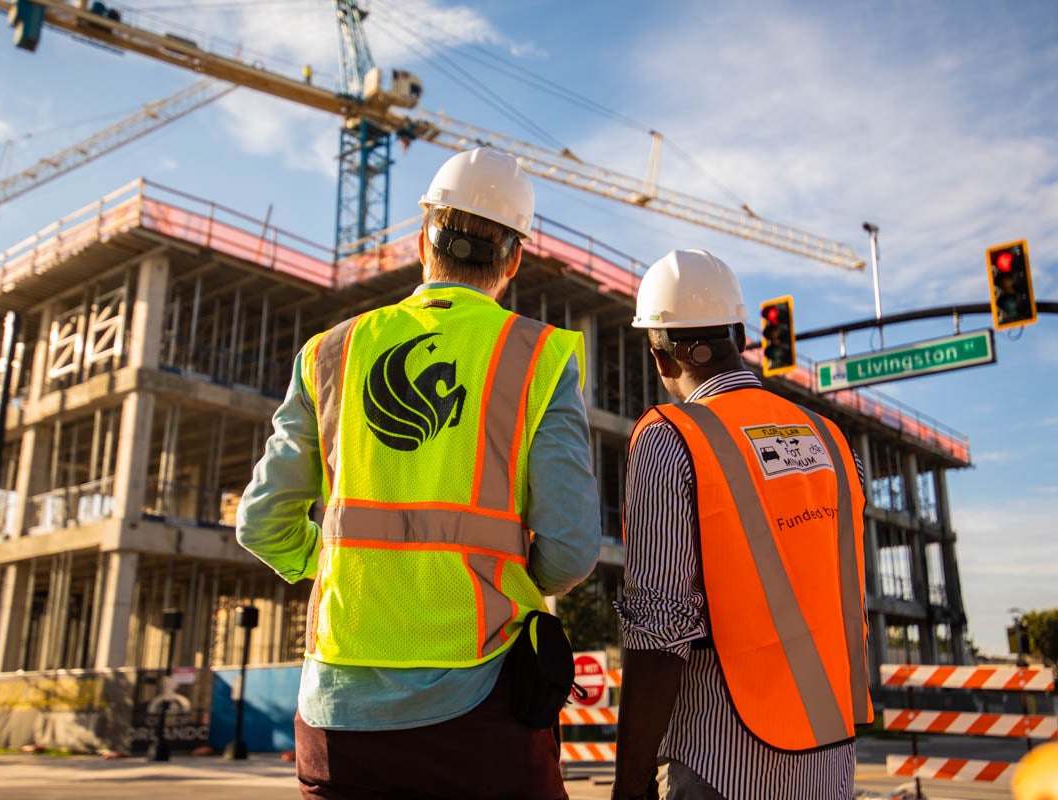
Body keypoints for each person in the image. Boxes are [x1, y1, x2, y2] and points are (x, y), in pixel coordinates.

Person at [236, 146, 600, 800]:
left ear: (420, 240)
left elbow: (260, 524)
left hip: (339, 712)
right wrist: (501, 575)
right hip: (482, 696)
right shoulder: (538, 356)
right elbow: (572, 547)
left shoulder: (329, 353)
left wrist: (347, 568)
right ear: (513, 260)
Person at [611, 249, 872, 800]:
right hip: (830, 756)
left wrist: (631, 778)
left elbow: (660, 624)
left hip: (725, 760)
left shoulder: (671, 437)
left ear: (660, 358)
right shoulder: (830, 439)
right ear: (741, 336)